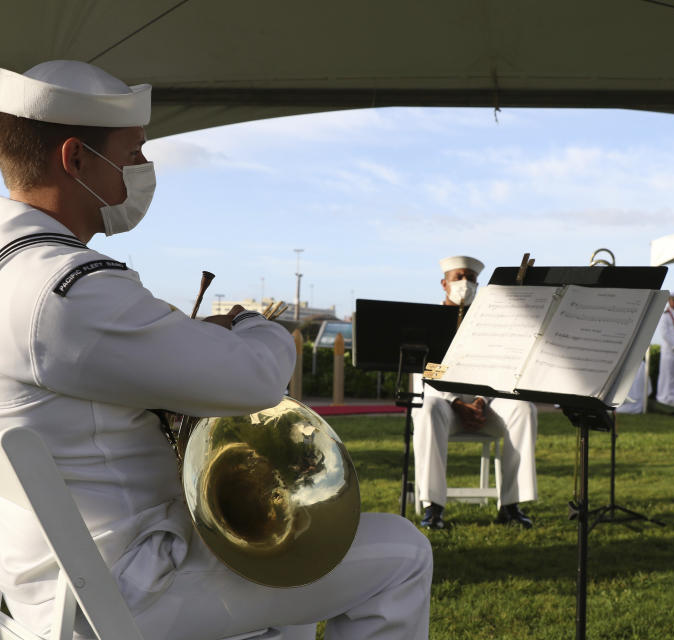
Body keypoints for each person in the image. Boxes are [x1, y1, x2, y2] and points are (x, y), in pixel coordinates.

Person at [0, 60, 432, 639]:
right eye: (133, 154)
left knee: (295, 594)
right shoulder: (68, 290)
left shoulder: (17, 264)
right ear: (75, 159)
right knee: (403, 554)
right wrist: (257, 327)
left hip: (43, 580)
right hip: (123, 586)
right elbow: (252, 380)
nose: (143, 170)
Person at [412, 255, 538, 530]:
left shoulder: (489, 324)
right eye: (459, 277)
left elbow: (501, 368)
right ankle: (433, 508)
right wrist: (456, 402)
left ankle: (511, 505)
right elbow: (424, 372)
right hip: (444, 408)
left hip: (484, 406)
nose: (465, 283)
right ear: (444, 283)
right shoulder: (428, 322)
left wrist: (481, 400)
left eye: (471, 279)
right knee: (428, 408)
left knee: (523, 409)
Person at [656, 291, 674, 408]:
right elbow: (664, 333)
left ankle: (672, 397)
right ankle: (663, 397)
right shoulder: (665, 315)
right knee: (666, 374)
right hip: (669, 350)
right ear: (669, 301)